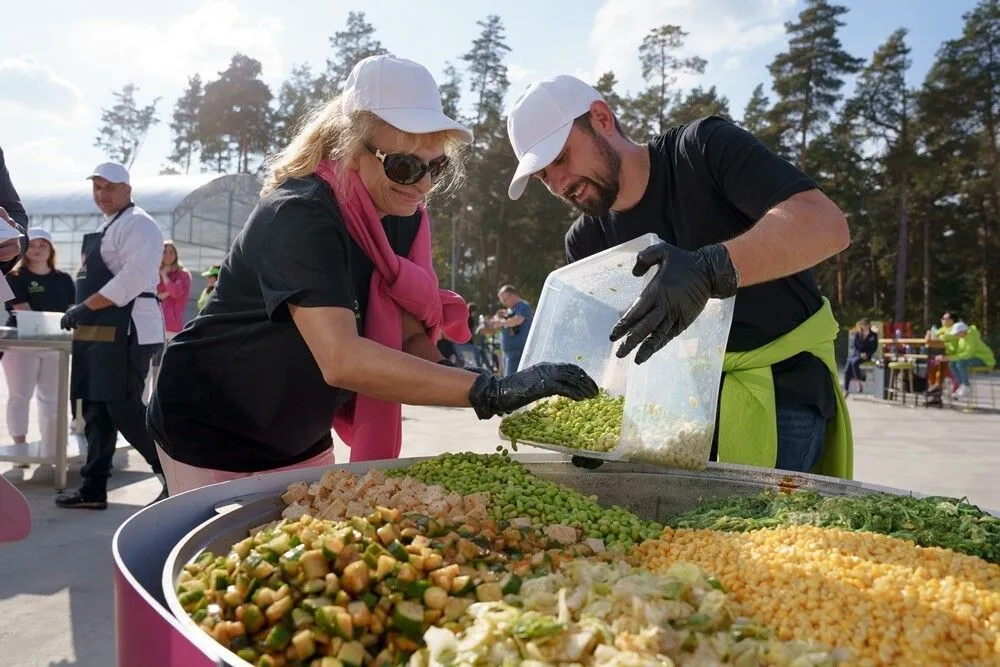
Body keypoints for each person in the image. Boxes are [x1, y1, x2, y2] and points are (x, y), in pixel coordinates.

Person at [146, 55, 597, 495]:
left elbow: (410, 337)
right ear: (349, 145)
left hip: (299, 432)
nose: (422, 185)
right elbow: (341, 358)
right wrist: (488, 390)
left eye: (435, 166)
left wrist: (495, 389)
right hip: (212, 426)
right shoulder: (300, 214)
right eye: (405, 165)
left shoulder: (401, 217)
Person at [505, 75, 853, 478]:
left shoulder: (701, 150)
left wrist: (711, 268)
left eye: (562, 157)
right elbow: (611, 353)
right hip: (677, 409)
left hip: (781, 388)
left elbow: (825, 224)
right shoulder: (585, 243)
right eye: (543, 177)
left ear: (601, 118)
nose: (558, 184)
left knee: (755, 520)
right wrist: (594, 421)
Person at [56, 161, 167, 509]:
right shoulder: (107, 226)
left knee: (125, 408)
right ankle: (93, 489)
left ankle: (173, 477)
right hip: (100, 333)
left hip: (128, 329)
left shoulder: (139, 224)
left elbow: (133, 278)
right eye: (97, 187)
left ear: (127, 190)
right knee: (96, 411)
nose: (102, 194)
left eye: (110, 187)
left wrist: (84, 307)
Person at [2, 228, 75, 445]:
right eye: (32, 245)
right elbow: (23, 311)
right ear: (25, 249)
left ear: (51, 249)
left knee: (52, 398)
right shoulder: (15, 277)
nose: (37, 249)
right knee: (19, 396)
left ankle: (51, 445)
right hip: (22, 344)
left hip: (55, 346)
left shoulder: (64, 279)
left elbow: (71, 310)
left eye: (43, 245)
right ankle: (19, 445)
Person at [146, 240, 191, 402]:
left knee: (164, 367)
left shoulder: (183, 275)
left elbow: (177, 292)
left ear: (176, 255)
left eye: (172, 252)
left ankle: (160, 402)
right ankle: (146, 403)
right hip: (153, 325)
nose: (168, 255)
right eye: (165, 252)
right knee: (149, 366)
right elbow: (154, 295)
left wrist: (165, 276)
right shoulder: (153, 273)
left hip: (172, 328)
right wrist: (166, 292)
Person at [487, 285, 533, 377]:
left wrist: (500, 322)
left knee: (512, 381)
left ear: (512, 295)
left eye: (505, 299)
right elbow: (503, 324)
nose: (504, 303)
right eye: (502, 301)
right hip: (507, 352)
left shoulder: (523, 306)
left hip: (517, 351)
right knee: (507, 380)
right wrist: (496, 322)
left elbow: (517, 320)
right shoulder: (510, 310)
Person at [945, 321, 995, 399]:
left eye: (956, 333)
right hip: (973, 358)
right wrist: (948, 356)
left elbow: (968, 354)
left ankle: (967, 386)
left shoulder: (971, 337)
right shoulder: (962, 339)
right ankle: (962, 385)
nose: (955, 335)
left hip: (985, 359)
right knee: (952, 363)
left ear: (962, 332)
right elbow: (959, 354)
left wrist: (949, 357)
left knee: (961, 363)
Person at [843, 319, 878, 396]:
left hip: (866, 356)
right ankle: (846, 390)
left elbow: (874, 348)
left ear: (869, 325)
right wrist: (860, 353)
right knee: (847, 369)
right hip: (857, 354)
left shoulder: (873, 335)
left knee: (854, 362)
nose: (865, 326)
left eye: (866, 325)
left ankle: (859, 382)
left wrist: (867, 354)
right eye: (863, 325)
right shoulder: (858, 334)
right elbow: (855, 346)